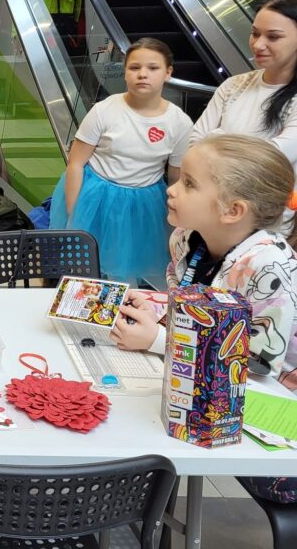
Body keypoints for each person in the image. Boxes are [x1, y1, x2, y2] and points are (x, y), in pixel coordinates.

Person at [111, 134, 297, 503]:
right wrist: (156, 313)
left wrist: (158, 341)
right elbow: (194, 312)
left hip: (275, 428)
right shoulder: (186, 240)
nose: (171, 189)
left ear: (233, 211)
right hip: (205, 399)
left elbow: (257, 365)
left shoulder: (268, 266)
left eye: (189, 184)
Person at [49, 39, 191, 284]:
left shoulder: (180, 123)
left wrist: (177, 217)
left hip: (144, 203)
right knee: (87, 264)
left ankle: (125, 303)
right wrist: (75, 214)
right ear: (124, 72)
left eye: (153, 68)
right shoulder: (104, 110)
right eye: (134, 67)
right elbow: (75, 163)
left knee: (128, 265)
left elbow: (175, 178)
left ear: (168, 72)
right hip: (96, 197)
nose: (142, 74)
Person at [191, 0, 297, 221]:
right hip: (212, 214)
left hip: (268, 225)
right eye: (255, 33)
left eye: (273, 37)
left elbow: (265, 160)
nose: (258, 44)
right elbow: (194, 143)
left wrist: (216, 137)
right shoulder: (233, 85)